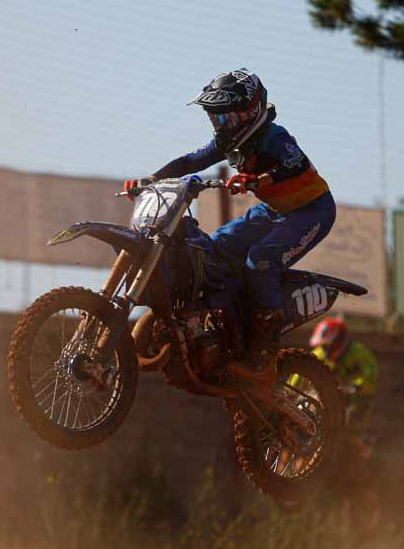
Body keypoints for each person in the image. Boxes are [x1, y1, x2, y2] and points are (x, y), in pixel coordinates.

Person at [124, 69, 336, 382]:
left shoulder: (274, 137)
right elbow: (190, 162)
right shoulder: (228, 143)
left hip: (311, 211)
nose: (219, 126)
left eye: (225, 118)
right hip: (274, 211)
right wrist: (151, 180)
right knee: (213, 249)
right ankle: (225, 328)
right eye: (214, 119)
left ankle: (262, 352)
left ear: (250, 112)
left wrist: (258, 179)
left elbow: (295, 164)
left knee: (261, 261)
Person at [308, 317, 378, 432]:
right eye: (323, 346)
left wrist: (354, 387)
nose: (325, 350)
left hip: (355, 398)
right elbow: (299, 376)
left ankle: (360, 440)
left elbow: (370, 375)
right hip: (326, 398)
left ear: (339, 340)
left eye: (327, 346)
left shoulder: (359, 353)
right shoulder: (316, 356)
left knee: (354, 419)